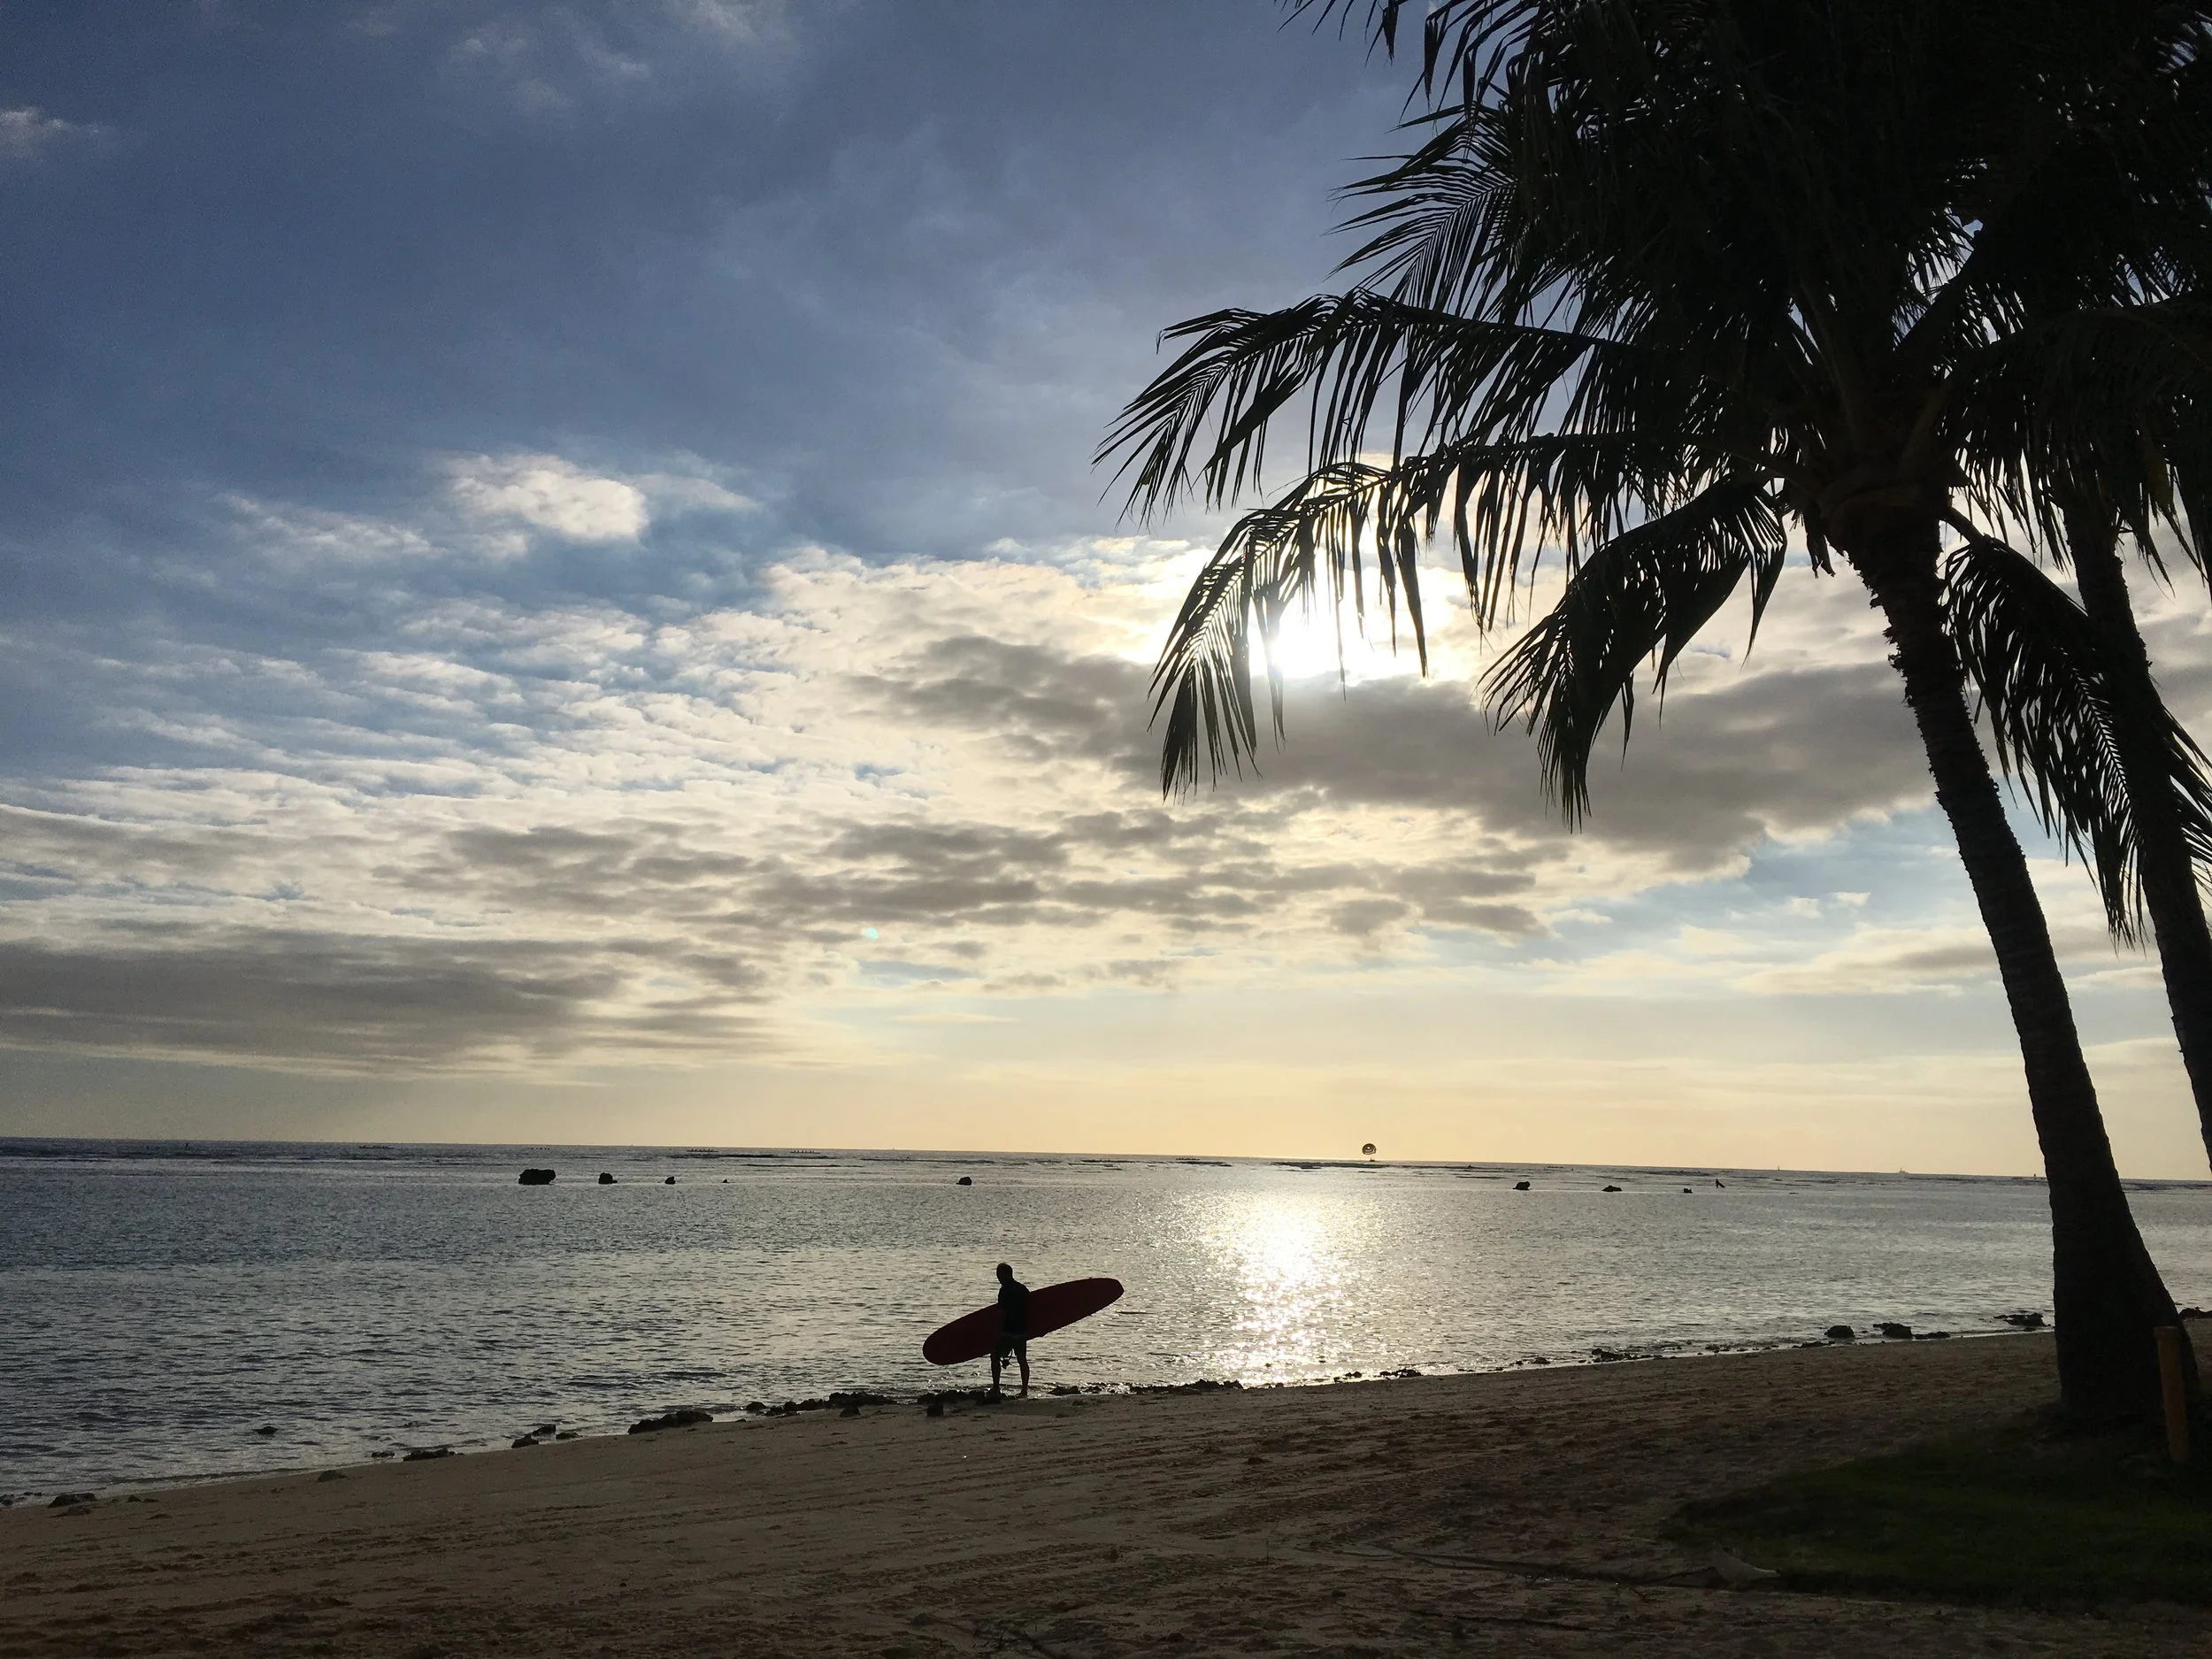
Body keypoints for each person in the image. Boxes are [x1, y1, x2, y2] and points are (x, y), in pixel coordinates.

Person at [989, 1261, 1030, 1399]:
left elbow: (1002, 1312)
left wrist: (996, 1331)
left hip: (1007, 1331)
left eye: (999, 1275)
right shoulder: (1022, 1289)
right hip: (1021, 1330)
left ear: (1007, 1275)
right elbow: (1031, 1309)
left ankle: (996, 1388)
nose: (998, 1278)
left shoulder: (1004, 1290)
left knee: (995, 1356)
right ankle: (1024, 1390)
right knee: (1022, 1359)